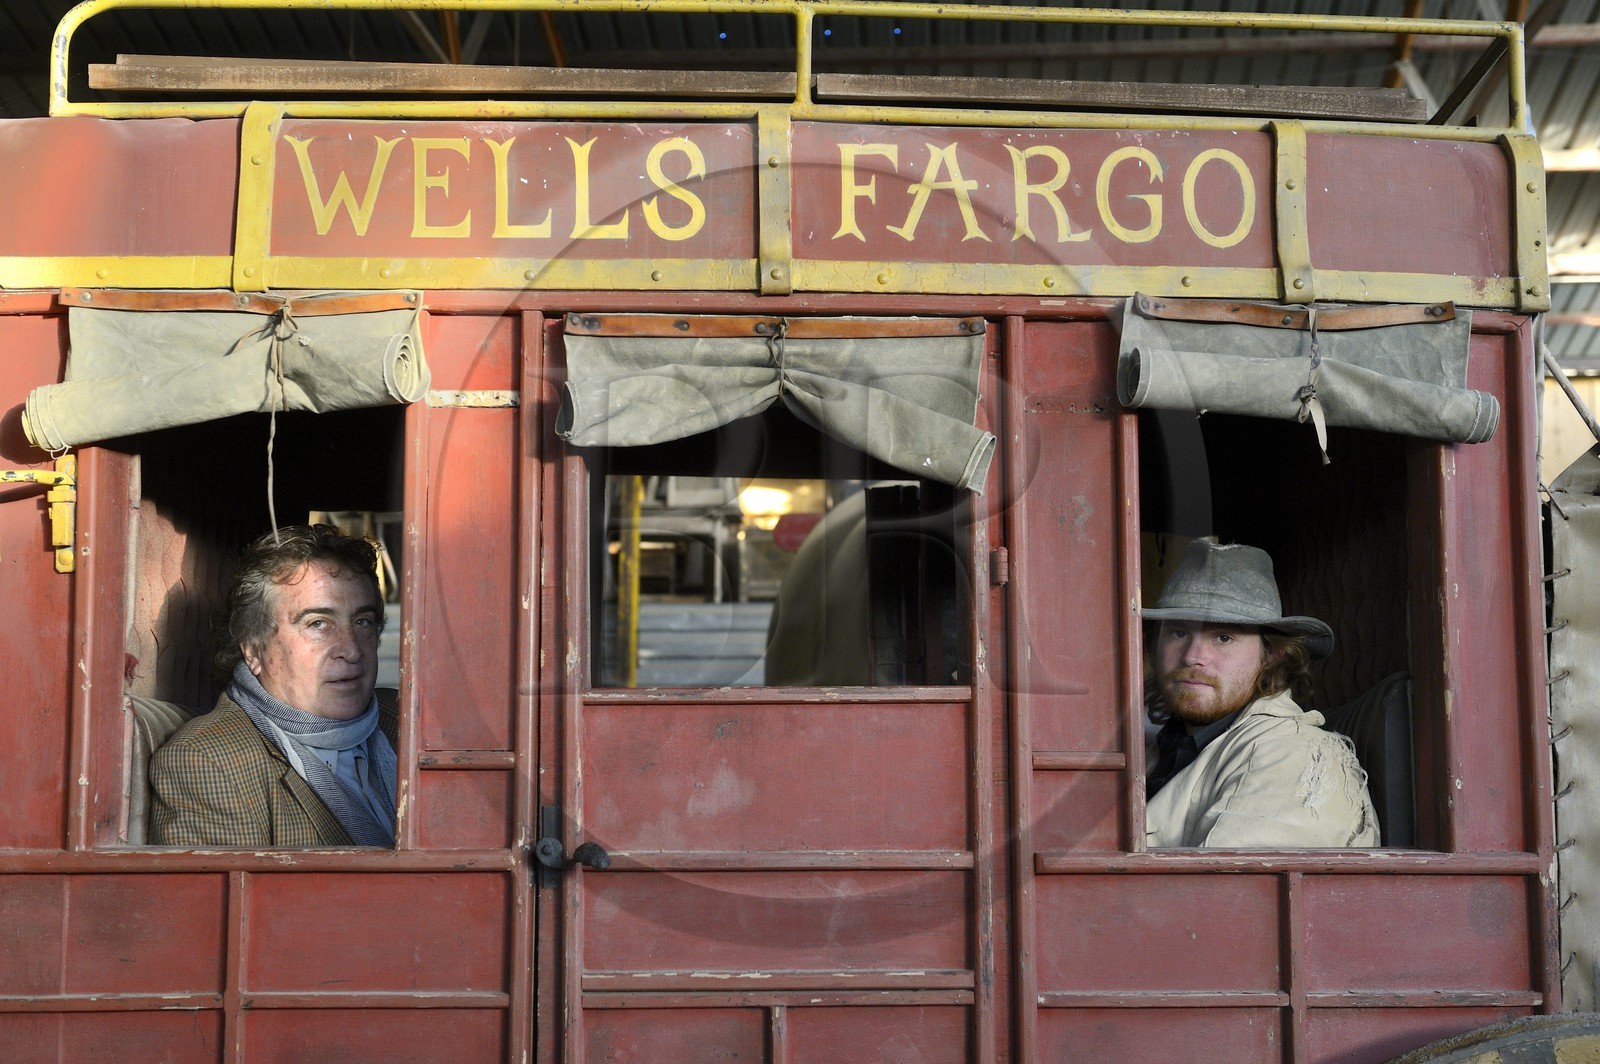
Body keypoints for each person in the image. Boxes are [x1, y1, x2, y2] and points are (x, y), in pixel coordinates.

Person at [149, 524, 398, 847]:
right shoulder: (208, 762)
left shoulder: (406, 719)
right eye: (318, 624)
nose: (351, 650)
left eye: (362, 621)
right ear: (254, 650)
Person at [1143, 540, 1379, 848]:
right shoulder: (1166, 748)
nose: (1192, 656)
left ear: (1272, 655)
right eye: (1179, 632)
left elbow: (1231, 880)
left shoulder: (1289, 754)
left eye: (1223, 637)